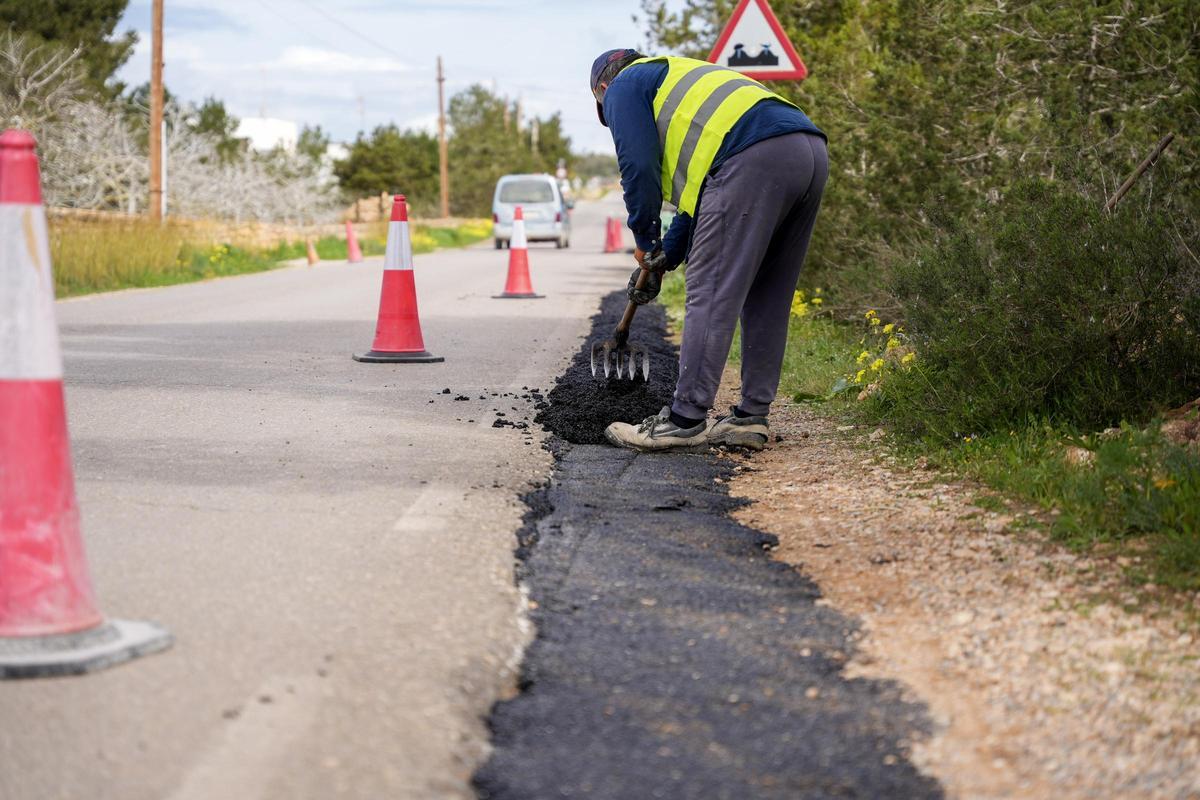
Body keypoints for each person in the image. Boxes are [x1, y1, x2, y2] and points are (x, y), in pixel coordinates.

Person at [590, 49, 828, 452]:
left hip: (751, 158)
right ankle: (750, 418)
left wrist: (645, 240)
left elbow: (638, 168)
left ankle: (685, 419)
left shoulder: (623, 87)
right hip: (806, 151)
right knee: (768, 294)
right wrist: (666, 253)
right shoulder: (677, 76)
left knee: (710, 290)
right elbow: (698, 199)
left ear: (602, 88)